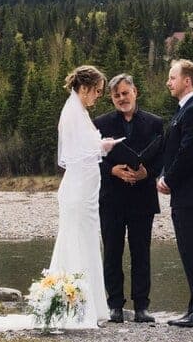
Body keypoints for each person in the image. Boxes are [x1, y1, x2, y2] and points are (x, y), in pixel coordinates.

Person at [46, 65, 120, 328]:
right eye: (97, 91)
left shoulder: (79, 112)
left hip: (86, 191)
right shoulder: (72, 113)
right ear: (85, 88)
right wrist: (103, 146)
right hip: (78, 191)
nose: (98, 96)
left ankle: (86, 305)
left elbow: (83, 147)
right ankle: (75, 307)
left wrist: (100, 146)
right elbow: (74, 154)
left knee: (87, 243)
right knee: (76, 242)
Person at [93, 73, 164, 323]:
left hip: (142, 197)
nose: (122, 98)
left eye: (125, 93)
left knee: (141, 253)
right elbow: (91, 158)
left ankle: (142, 307)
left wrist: (148, 172)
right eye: (116, 95)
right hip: (111, 197)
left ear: (135, 92)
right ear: (111, 98)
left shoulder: (155, 122)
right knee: (112, 252)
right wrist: (111, 170)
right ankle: (114, 305)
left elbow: (162, 157)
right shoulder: (100, 123)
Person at [157, 57, 193, 327]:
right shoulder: (185, 110)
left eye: (172, 77)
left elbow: (188, 153)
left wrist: (168, 179)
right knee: (189, 253)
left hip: (192, 195)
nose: (168, 82)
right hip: (186, 195)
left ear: (187, 81)